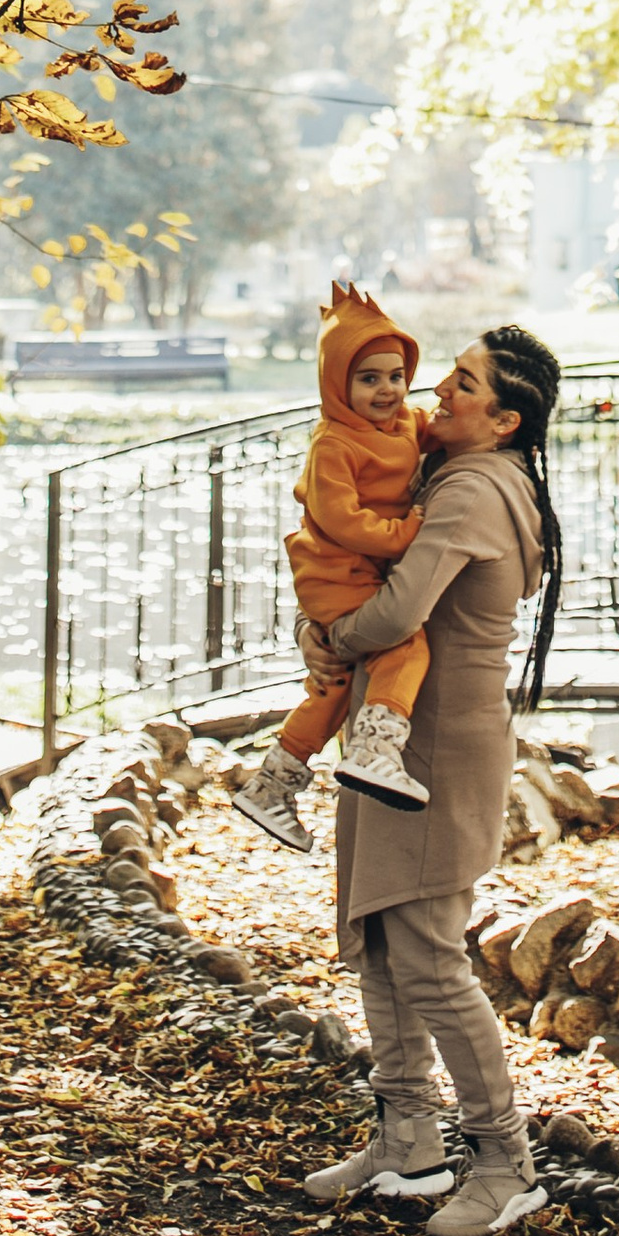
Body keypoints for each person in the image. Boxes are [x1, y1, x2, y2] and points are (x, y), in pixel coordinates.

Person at [299, 322, 565, 1236]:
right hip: (396, 733)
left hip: (438, 749)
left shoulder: (474, 492)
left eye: (462, 383)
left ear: (503, 419)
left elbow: (401, 610)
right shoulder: (463, 477)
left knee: (428, 956)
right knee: (379, 938)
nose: (438, 393)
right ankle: (409, 1138)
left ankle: (505, 1162)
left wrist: (330, 637)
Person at [233, 283, 433, 848]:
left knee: (333, 688)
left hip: (356, 575)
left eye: (396, 375)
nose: (387, 390)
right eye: (369, 379)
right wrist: (406, 532)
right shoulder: (334, 444)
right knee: (405, 644)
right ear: (337, 384)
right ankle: (375, 748)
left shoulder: (403, 427)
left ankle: (271, 786)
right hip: (334, 575)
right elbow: (342, 520)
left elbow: (434, 427)